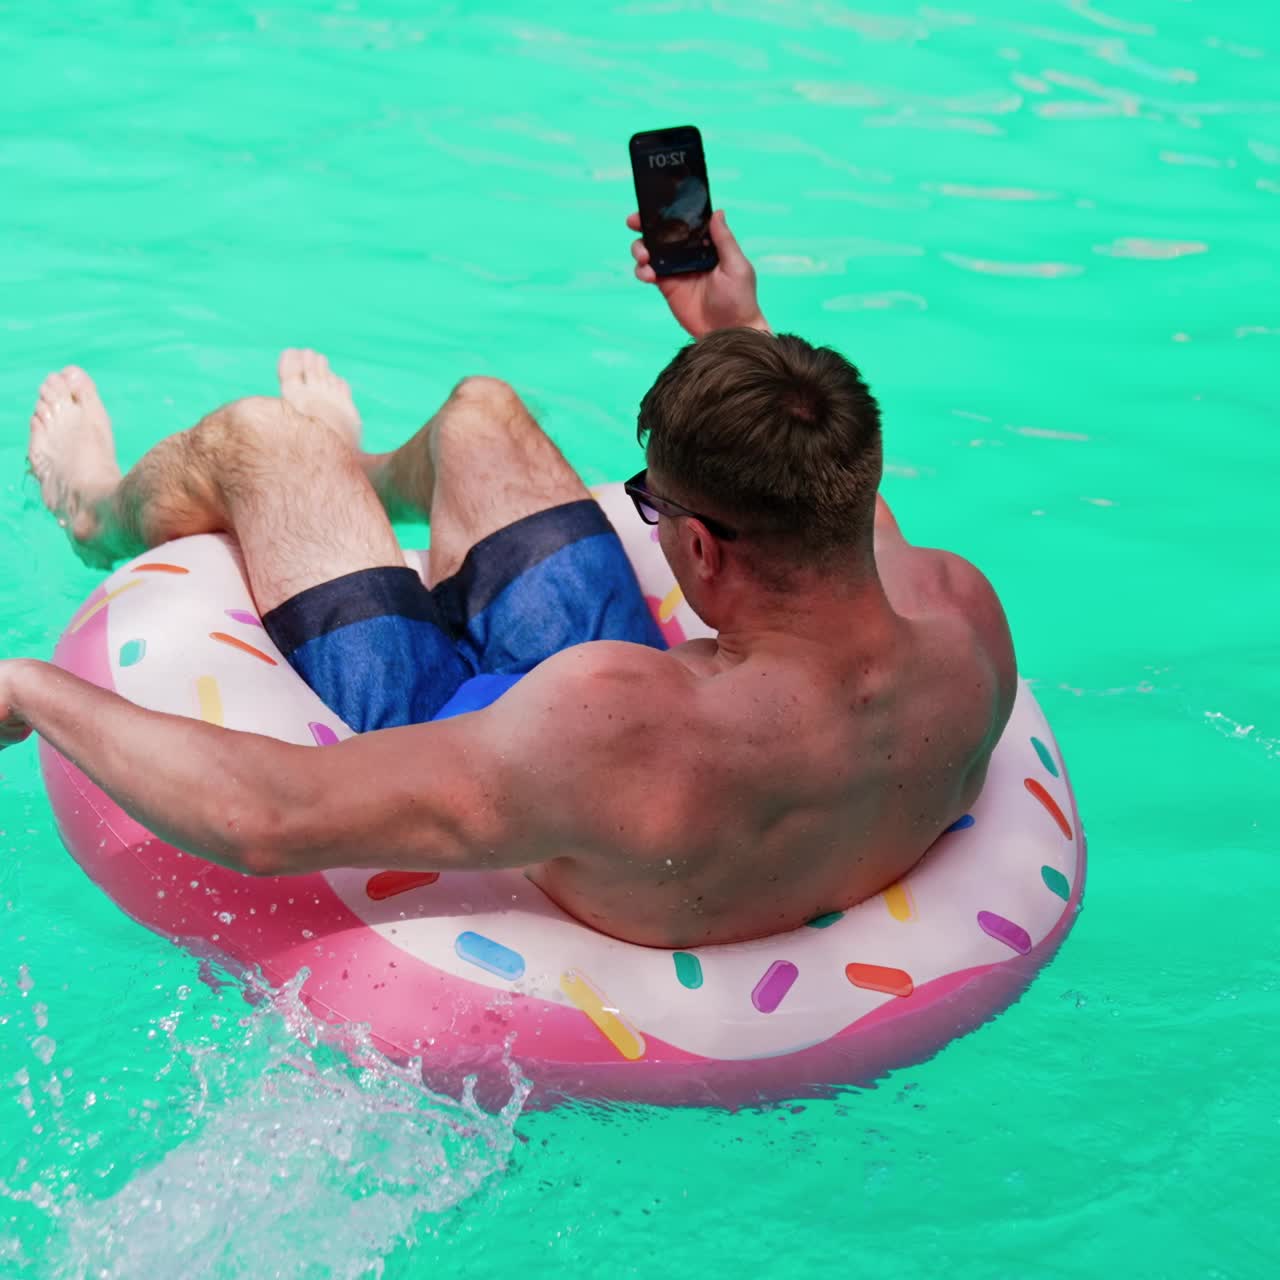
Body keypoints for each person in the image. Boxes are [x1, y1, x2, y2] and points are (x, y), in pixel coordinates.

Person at [1, 208, 1015, 949]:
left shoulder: (615, 731)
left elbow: (264, 820)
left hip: (497, 750)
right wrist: (729, 320)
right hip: (599, 750)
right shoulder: (960, 621)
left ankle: (98, 513)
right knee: (478, 414)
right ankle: (346, 476)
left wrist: (29, 688)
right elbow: (826, 499)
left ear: (703, 549)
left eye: (654, 506)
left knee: (256, 437)